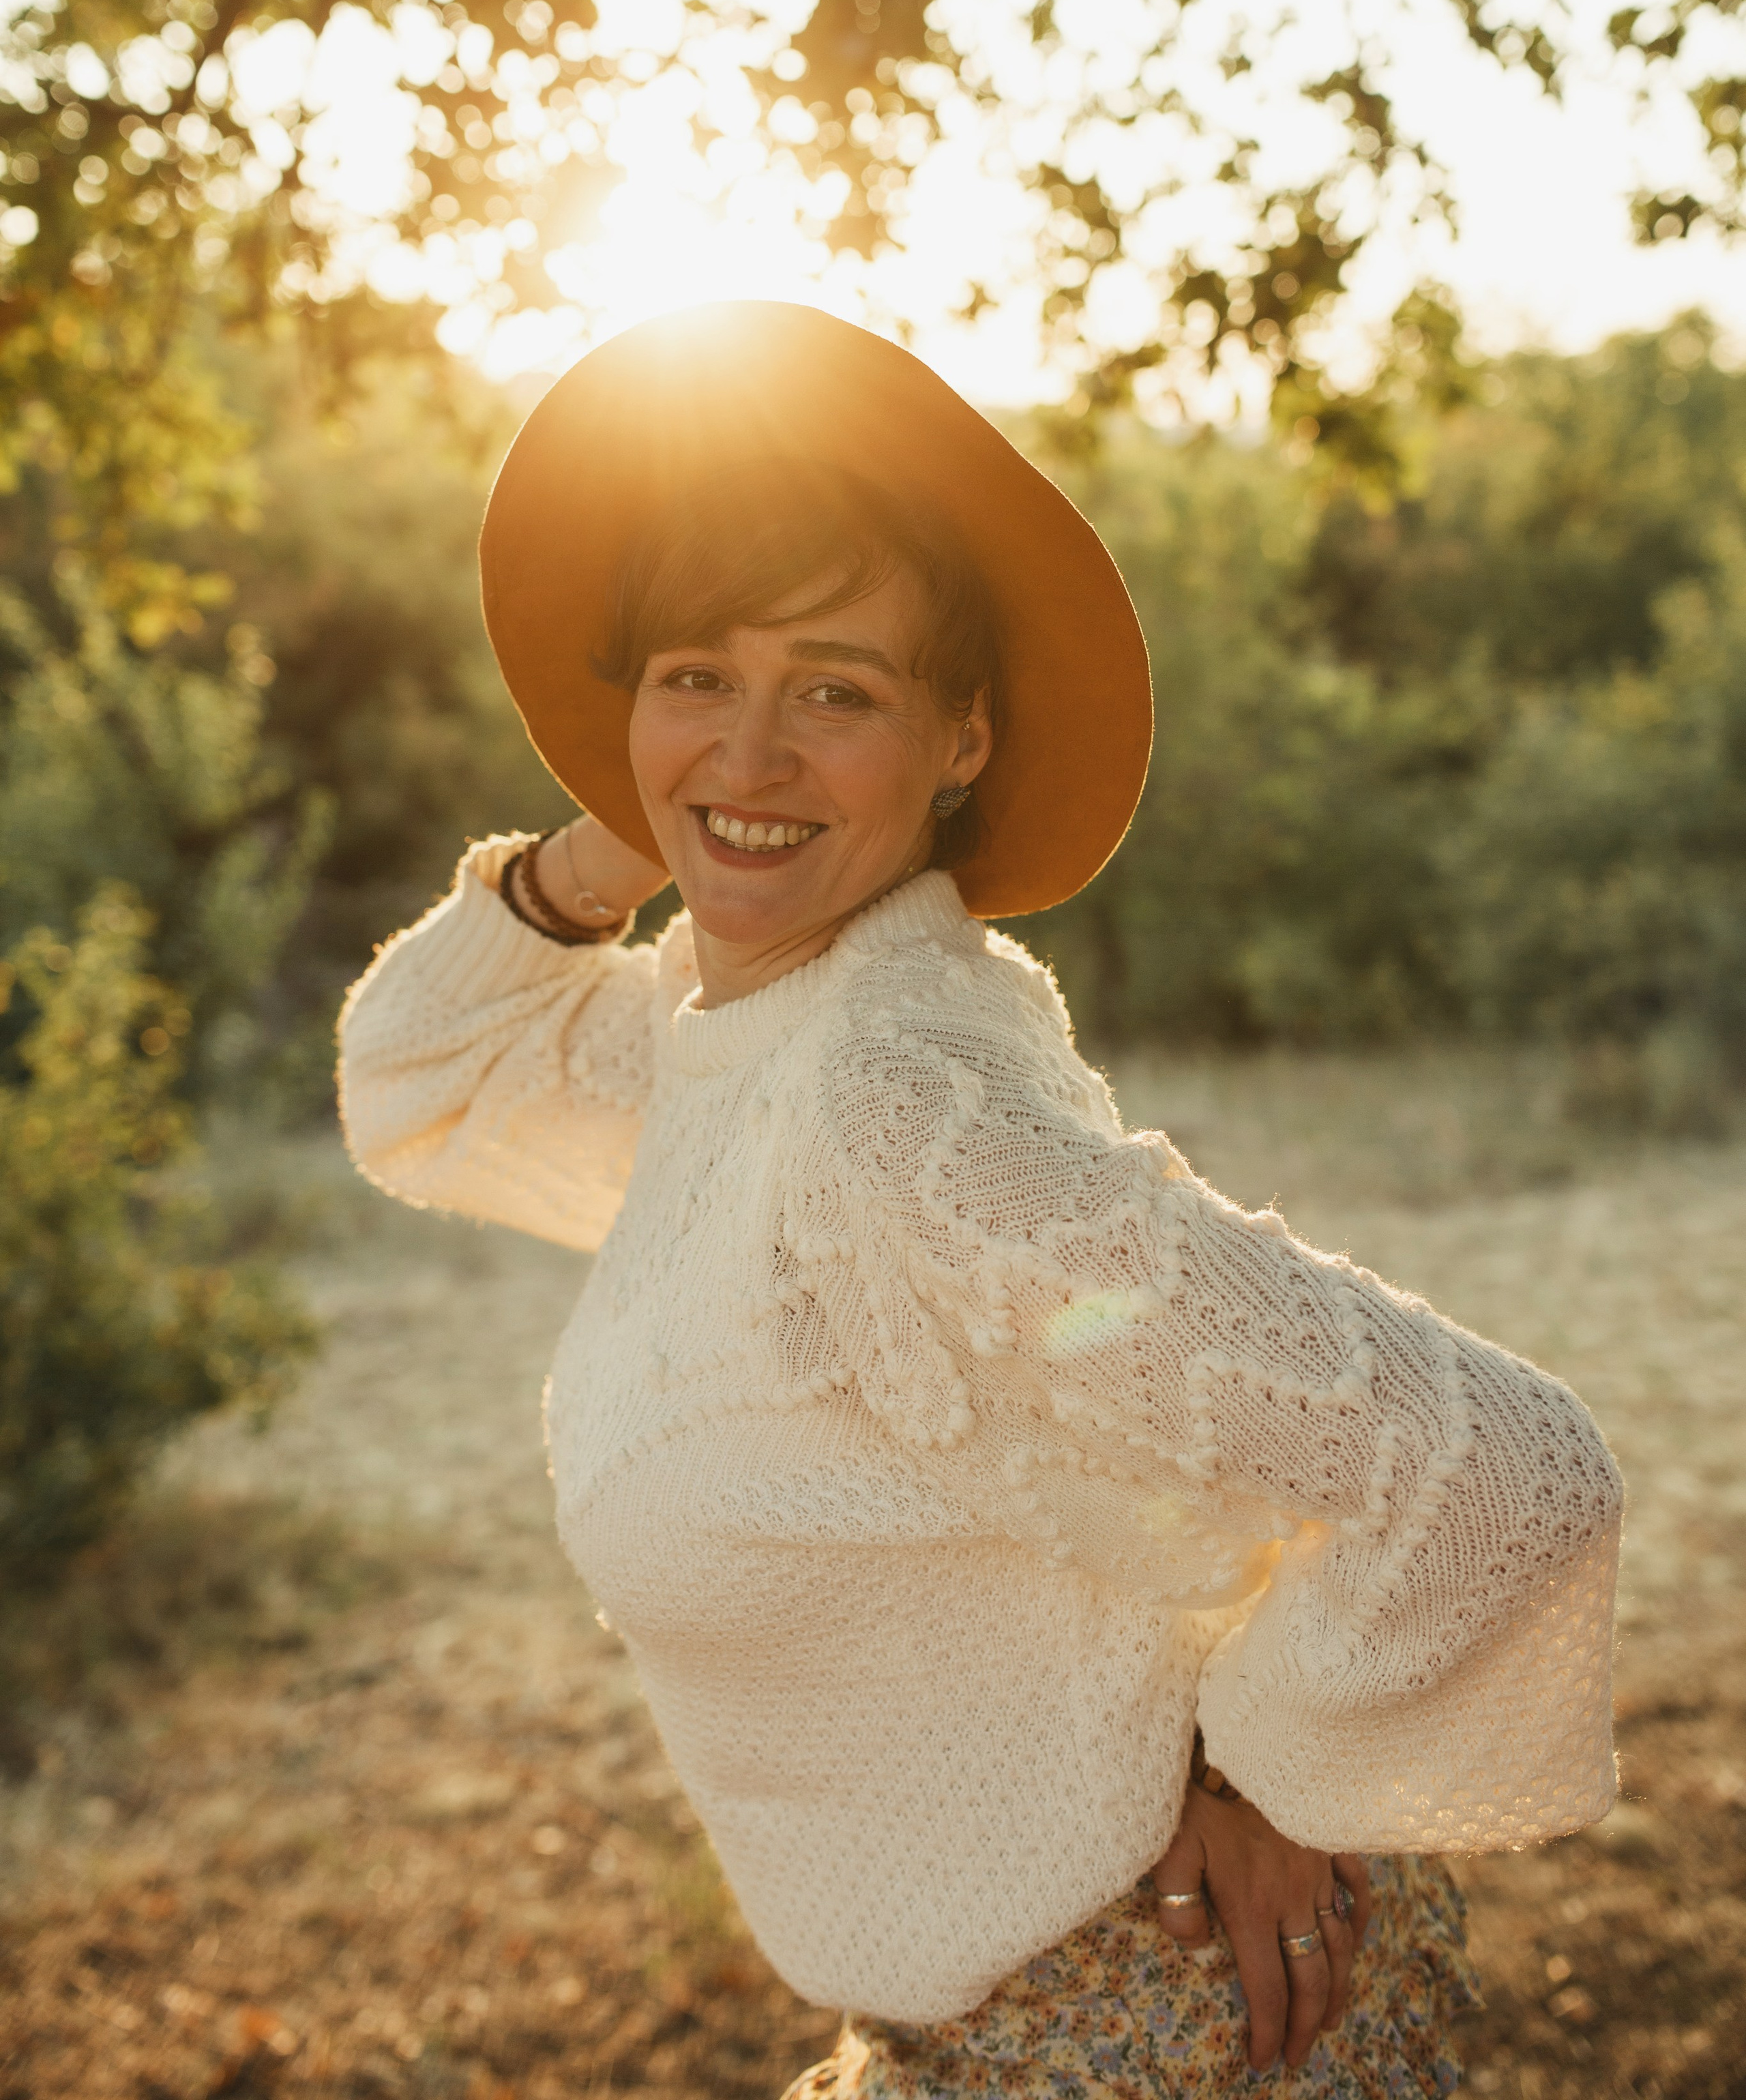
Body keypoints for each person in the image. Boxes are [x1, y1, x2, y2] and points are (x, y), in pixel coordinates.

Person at [338, 301, 1623, 2098]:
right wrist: (659, 802)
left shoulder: (884, 1106)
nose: (758, 748)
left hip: (1154, 2033)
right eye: (698, 670)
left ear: (964, 741)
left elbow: (1499, 1463)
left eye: (838, 693)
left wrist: (1272, 1776)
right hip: (974, 2031)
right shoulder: (740, 1031)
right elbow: (418, 1084)